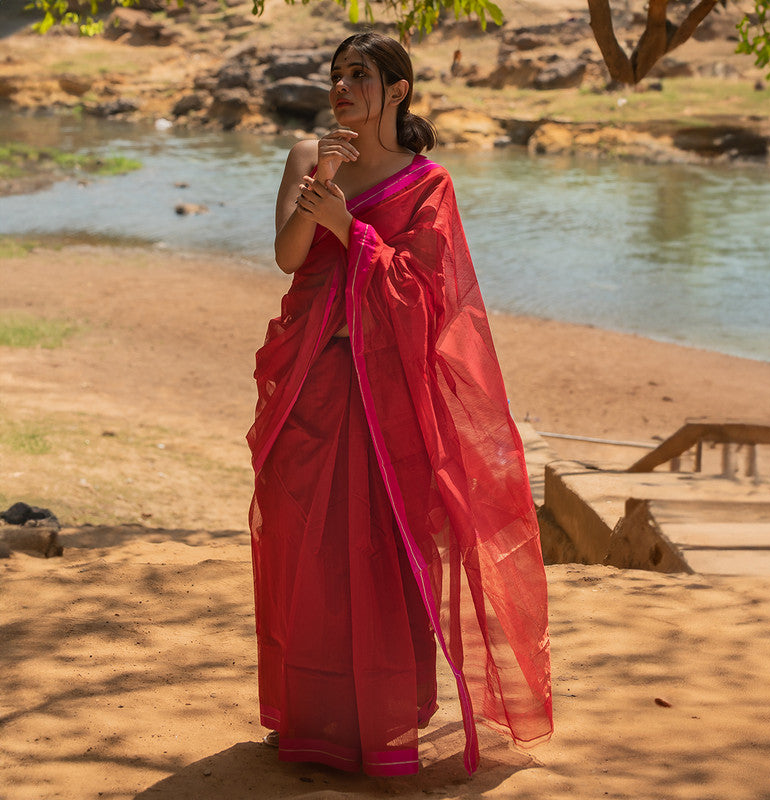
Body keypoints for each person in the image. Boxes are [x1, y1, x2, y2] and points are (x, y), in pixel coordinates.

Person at [247, 31, 552, 778]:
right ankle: (311, 719)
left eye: (360, 75)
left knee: (380, 547)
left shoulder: (429, 183)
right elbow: (289, 257)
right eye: (336, 75)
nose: (343, 87)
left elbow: (427, 297)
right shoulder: (305, 157)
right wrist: (323, 182)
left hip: (390, 395)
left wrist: (350, 231)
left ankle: (381, 722)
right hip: (311, 386)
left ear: (398, 91)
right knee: (304, 544)